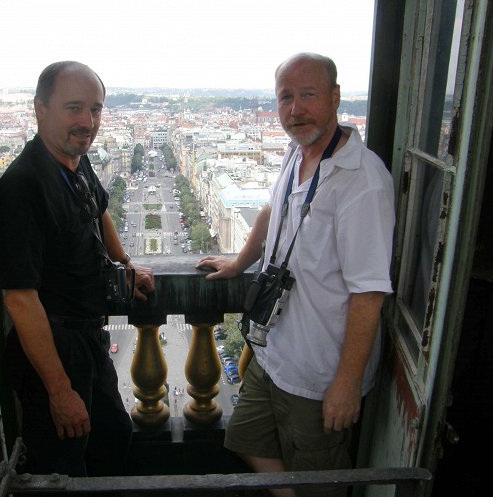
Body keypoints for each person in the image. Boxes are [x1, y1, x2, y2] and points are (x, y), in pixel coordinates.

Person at [197, 53, 395, 497]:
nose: (295, 109)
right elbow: (273, 210)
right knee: (244, 437)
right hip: (274, 354)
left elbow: (369, 294)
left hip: (319, 374)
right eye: (286, 97)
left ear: (335, 98)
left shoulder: (362, 182)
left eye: (308, 95)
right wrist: (238, 262)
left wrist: (345, 385)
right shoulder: (297, 151)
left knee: (318, 480)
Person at [0, 61, 155, 478]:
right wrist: (59, 391)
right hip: (55, 350)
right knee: (62, 468)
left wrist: (126, 264)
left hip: (87, 339)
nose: (88, 121)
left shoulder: (74, 162)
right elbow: (21, 302)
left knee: (113, 439)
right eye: (74, 108)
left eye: (96, 109)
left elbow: (100, 213)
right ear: (40, 109)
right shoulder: (22, 188)